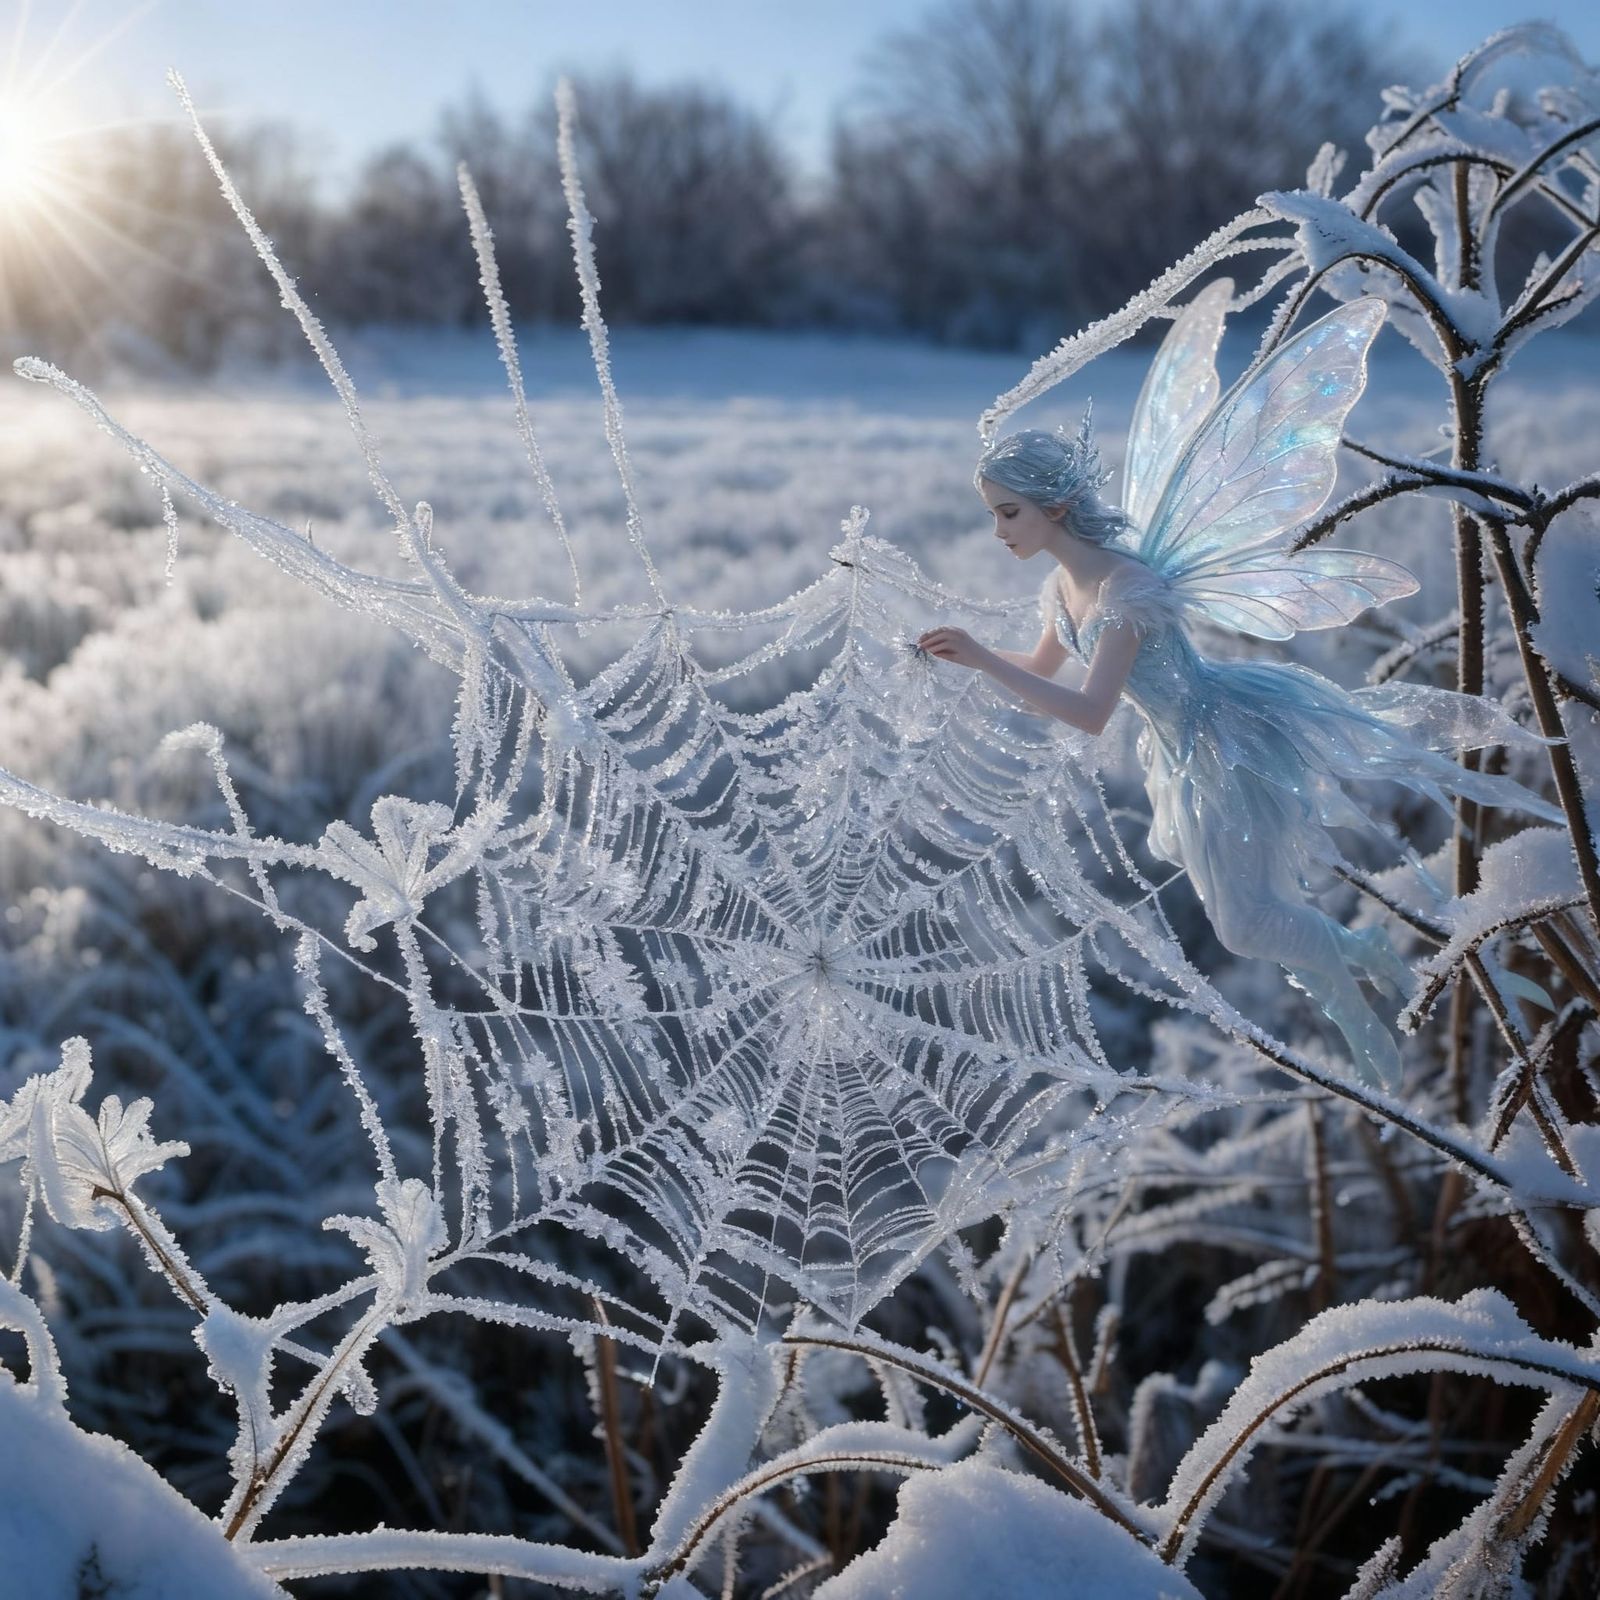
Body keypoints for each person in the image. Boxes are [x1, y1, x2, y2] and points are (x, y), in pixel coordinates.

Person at [916, 285, 1559, 1089]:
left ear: (1053, 508)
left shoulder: (1126, 594)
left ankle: (1382, 966)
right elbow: (1042, 674)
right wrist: (966, 664)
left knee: (1249, 923)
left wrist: (982, 658)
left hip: (1224, 739)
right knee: (1243, 925)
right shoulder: (1061, 592)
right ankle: (1367, 979)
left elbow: (1087, 713)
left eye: (1009, 514)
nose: (1000, 533)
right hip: (1181, 755)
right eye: (993, 516)